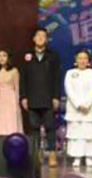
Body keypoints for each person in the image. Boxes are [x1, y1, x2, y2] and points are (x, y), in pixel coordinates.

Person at [19, 28, 61, 167]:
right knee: (34, 128)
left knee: (50, 127)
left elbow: (56, 78)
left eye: (44, 36)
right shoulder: (27, 56)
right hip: (32, 97)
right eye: (38, 35)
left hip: (48, 98)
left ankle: (52, 154)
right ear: (34, 38)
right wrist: (23, 97)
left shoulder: (52, 56)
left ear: (47, 39)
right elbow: (23, 78)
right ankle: (36, 154)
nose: (41, 38)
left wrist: (56, 96)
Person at [64, 50, 92, 168]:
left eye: (85, 58)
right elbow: (69, 90)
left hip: (89, 110)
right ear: (76, 60)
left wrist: (87, 104)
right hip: (75, 109)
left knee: (88, 134)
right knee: (76, 134)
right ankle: (77, 157)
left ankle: (89, 157)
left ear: (88, 61)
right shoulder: (70, 73)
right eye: (80, 58)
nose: (82, 61)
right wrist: (78, 104)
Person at [0, 50, 23, 135]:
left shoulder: (14, 71)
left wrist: (17, 101)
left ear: (8, 58)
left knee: (10, 119)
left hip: (10, 99)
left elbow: (17, 87)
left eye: (4, 55)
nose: (1, 58)